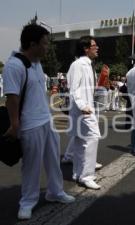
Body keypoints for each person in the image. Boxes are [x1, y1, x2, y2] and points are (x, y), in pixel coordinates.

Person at [2, 24, 75, 220]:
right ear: (32, 44)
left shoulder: (36, 63)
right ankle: (27, 202)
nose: (47, 47)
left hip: (46, 120)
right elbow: (12, 98)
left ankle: (55, 192)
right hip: (29, 124)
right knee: (31, 166)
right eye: (44, 44)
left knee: (53, 161)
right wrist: (15, 124)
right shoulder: (14, 65)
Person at [66, 36, 101, 190]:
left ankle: (78, 173)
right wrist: (82, 105)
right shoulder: (78, 65)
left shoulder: (88, 65)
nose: (97, 47)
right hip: (83, 109)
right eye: (94, 45)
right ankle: (87, 175)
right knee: (92, 138)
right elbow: (73, 88)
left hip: (85, 107)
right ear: (86, 48)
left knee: (80, 142)